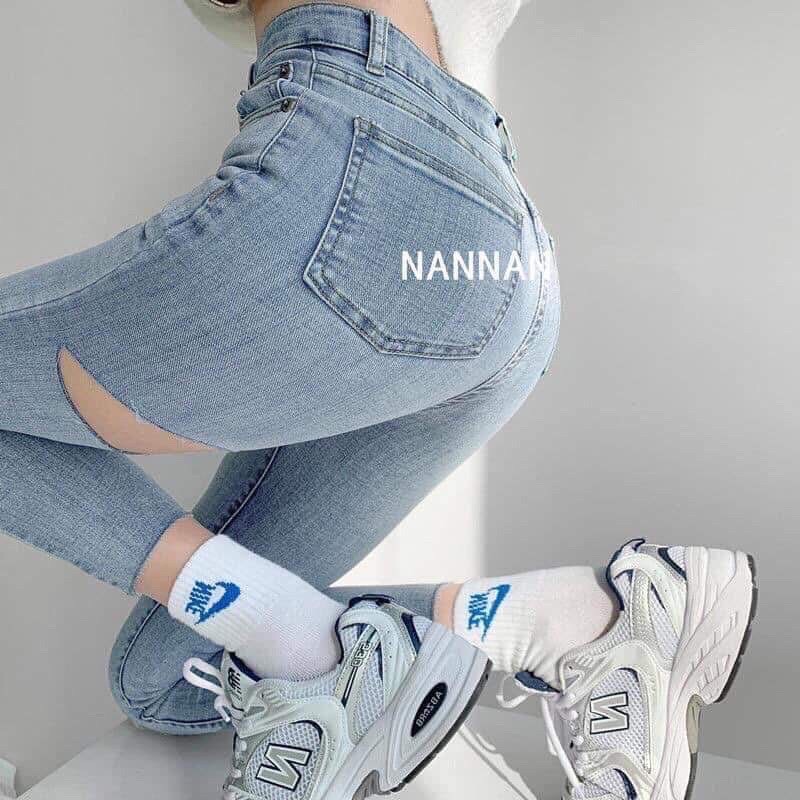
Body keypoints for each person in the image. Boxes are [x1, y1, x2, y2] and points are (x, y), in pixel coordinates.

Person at [0, 3, 756, 799]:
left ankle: (307, 645)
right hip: (496, 246)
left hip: (369, 178)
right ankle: (583, 621)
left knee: (231, 645)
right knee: (164, 675)